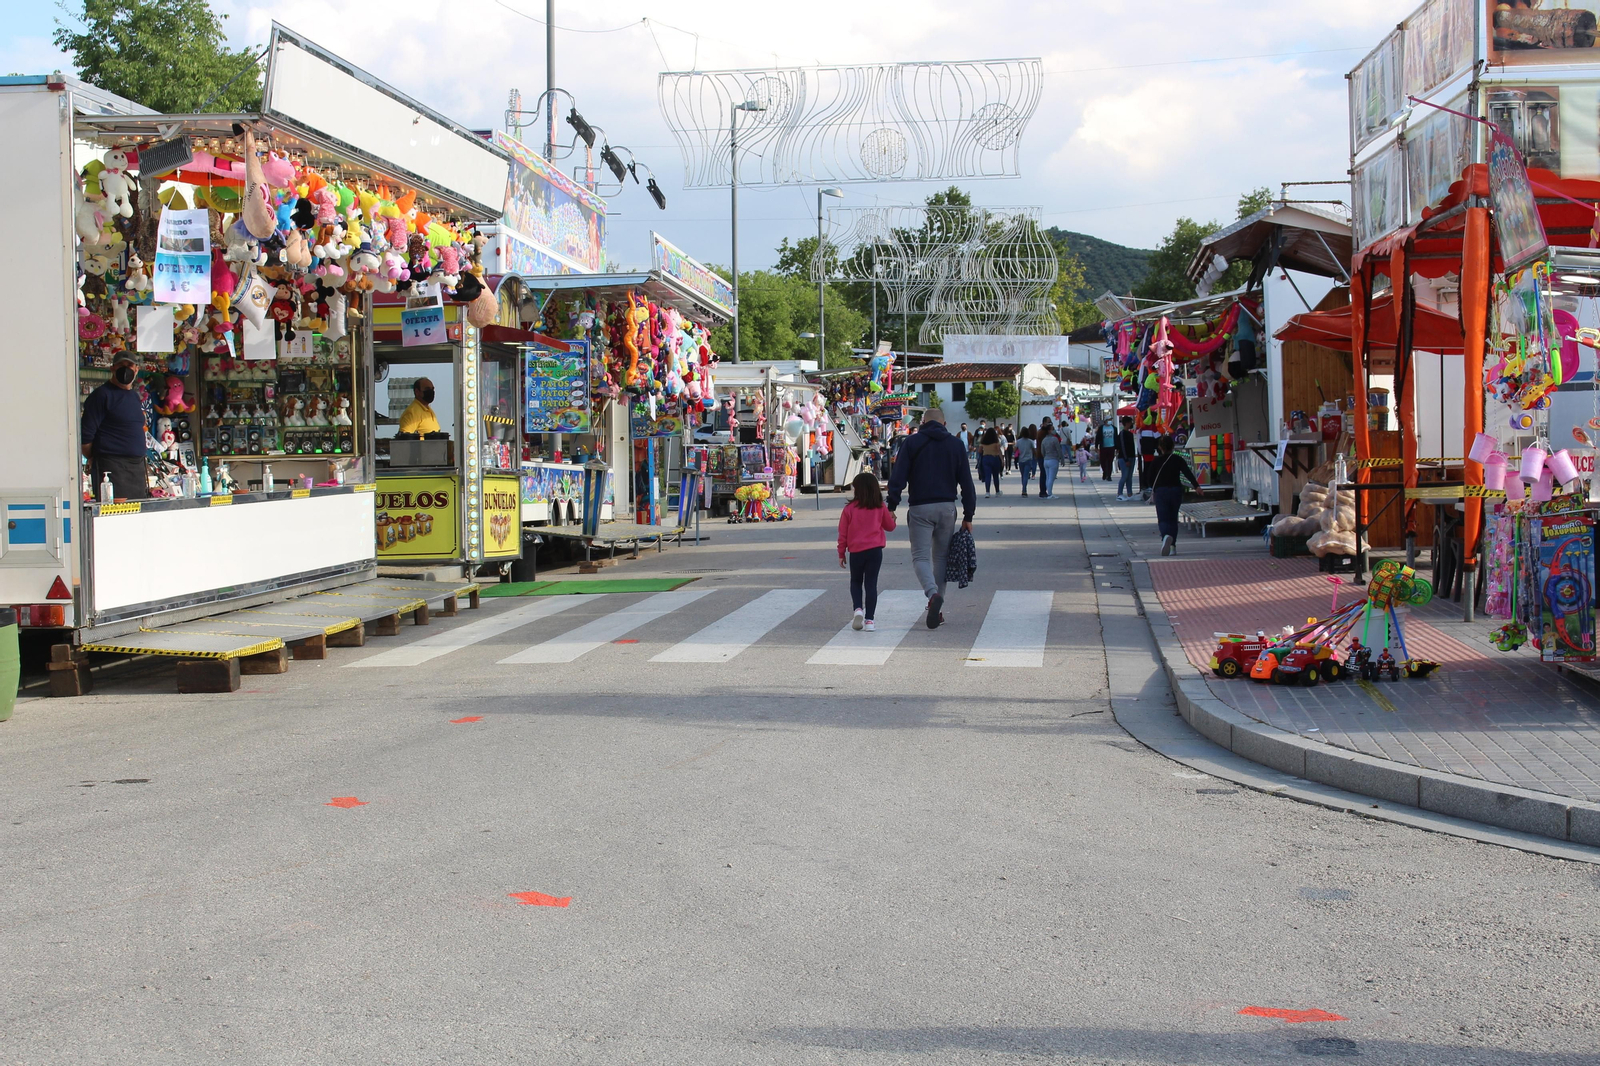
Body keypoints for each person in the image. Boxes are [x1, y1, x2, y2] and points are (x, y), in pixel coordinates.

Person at [887, 408, 976, 630]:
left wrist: (891, 505)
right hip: (947, 508)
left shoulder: (911, 442)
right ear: (944, 423)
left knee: (920, 557)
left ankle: (932, 594)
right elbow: (966, 482)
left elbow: (898, 475)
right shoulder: (956, 445)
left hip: (920, 508)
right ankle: (938, 608)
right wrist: (968, 515)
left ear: (923, 423)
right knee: (941, 558)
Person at [81, 357, 150, 500]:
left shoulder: (134, 396)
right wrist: (94, 458)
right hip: (112, 469)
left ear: (136, 370)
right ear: (112, 368)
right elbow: (85, 436)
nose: (125, 369)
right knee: (117, 512)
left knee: (138, 511)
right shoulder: (102, 395)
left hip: (137, 468)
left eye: (129, 365)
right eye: (120, 365)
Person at [838, 470, 897, 632]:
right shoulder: (880, 507)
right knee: (871, 583)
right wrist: (893, 518)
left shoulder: (849, 509)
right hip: (875, 551)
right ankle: (870, 620)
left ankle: (858, 609)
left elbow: (842, 533)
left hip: (856, 551)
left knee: (856, 581)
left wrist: (841, 553)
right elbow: (890, 527)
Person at [1150, 435, 1202, 556]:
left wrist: (1154, 488)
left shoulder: (1156, 461)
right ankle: (1173, 547)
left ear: (1160, 447)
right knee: (1173, 518)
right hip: (1176, 490)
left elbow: (1149, 478)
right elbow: (1187, 473)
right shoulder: (1178, 459)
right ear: (1173, 446)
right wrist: (1196, 486)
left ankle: (1165, 537)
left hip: (1161, 491)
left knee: (1163, 518)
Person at [1037, 419, 1063, 498]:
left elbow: (1042, 451)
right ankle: (1050, 493)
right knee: (1051, 477)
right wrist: (1061, 458)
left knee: (1047, 477)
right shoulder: (1054, 439)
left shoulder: (1044, 440)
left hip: (1046, 459)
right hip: (1053, 459)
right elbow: (1058, 449)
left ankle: (1048, 492)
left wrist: (1045, 456)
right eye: (1052, 429)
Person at [1115, 416, 1138, 500]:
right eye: (1131, 422)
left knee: (1129, 477)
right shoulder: (1122, 434)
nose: (1132, 424)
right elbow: (1123, 447)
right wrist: (1126, 459)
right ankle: (1119, 493)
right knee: (1124, 476)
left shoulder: (1130, 434)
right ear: (1127, 423)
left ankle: (1129, 493)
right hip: (1124, 458)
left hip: (1131, 457)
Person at [977, 427, 1004, 497]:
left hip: (986, 459)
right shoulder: (996, 441)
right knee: (995, 476)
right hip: (995, 458)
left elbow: (979, 451)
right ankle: (997, 491)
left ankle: (987, 492)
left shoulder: (983, 442)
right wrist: (1002, 460)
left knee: (987, 476)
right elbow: (999, 451)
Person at [1015, 425, 1037, 496]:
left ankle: (1023, 488)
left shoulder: (1018, 441)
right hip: (1028, 460)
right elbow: (1034, 451)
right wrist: (1036, 457)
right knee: (1026, 475)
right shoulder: (1030, 441)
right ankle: (1024, 489)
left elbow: (1014, 449)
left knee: (1022, 475)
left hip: (1021, 460)